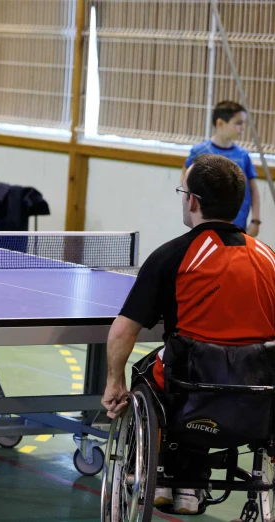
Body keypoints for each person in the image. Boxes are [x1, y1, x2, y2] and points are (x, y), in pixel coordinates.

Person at [102, 154, 275, 515]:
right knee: (199, 366)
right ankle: (188, 483)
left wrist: (114, 382)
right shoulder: (268, 259)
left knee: (149, 374)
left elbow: (123, 331)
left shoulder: (173, 256)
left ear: (193, 200)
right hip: (256, 400)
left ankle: (162, 477)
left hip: (189, 393)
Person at [182, 100, 261, 237]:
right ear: (220, 123)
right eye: (238, 123)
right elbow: (185, 181)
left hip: (237, 225)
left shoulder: (243, 156)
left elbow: (253, 190)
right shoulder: (200, 151)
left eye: (243, 123)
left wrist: (256, 220)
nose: (242, 128)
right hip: (205, 225)